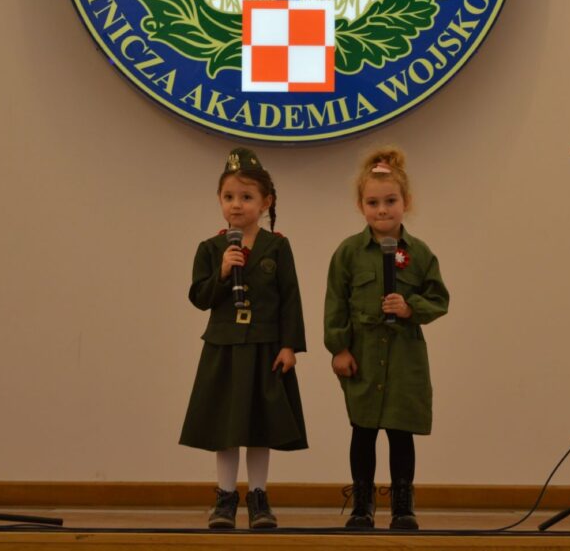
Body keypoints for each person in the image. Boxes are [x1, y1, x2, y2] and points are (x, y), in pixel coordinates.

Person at [180, 147, 307, 530]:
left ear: (265, 202)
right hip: (224, 348)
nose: (237, 204)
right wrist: (222, 273)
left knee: (259, 426)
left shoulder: (277, 246)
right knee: (226, 427)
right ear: (219, 200)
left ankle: (258, 497)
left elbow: (290, 298)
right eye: (229, 196)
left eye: (247, 196)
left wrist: (289, 346)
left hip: (265, 348)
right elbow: (200, 297)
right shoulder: (211, 249)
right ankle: (224, 498)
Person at [324, 147, 450, 530]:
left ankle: (402, 504)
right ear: (360, 206)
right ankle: (362, 504)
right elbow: (335, 303)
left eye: (390, 201)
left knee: (400, 432)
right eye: (373, 203)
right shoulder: (348, 253)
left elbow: (439, 299)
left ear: (405, 202)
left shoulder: (420, 254)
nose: (382, 210)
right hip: (363, 355)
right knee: (362, 431)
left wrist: (410, 307)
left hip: (404, 357)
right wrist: (339, 348)